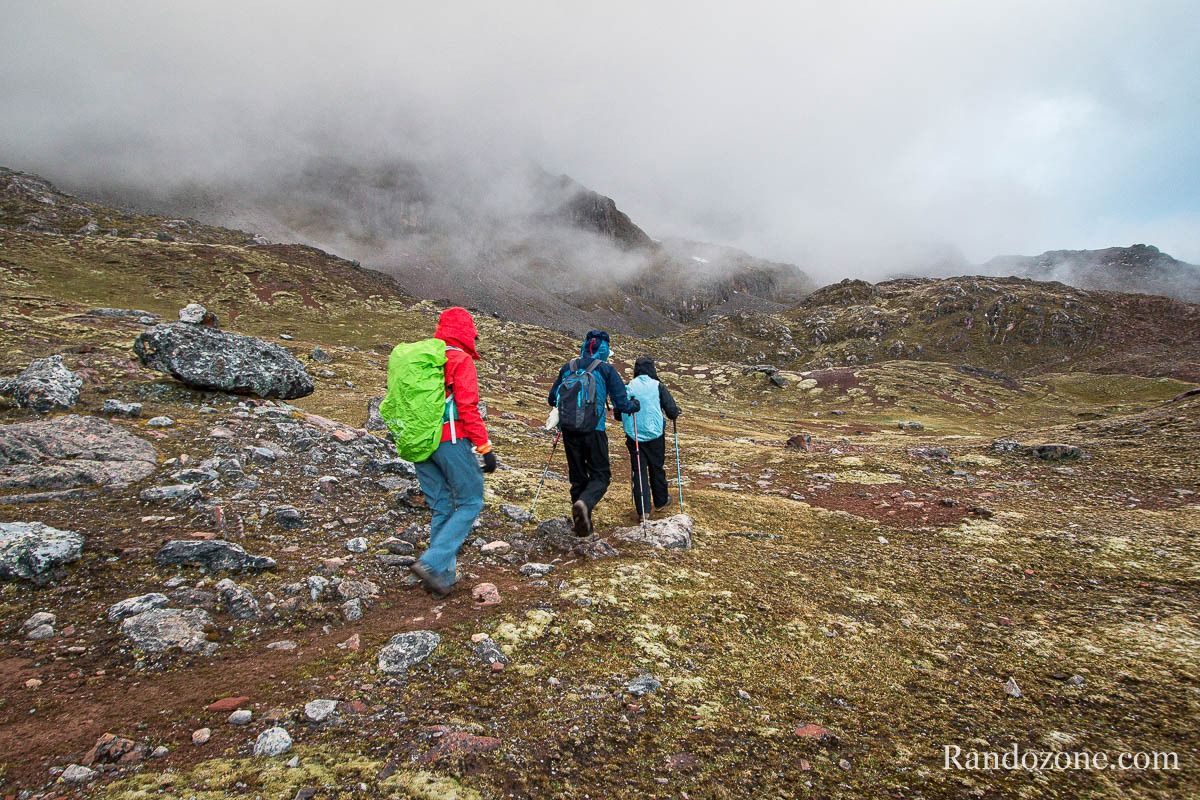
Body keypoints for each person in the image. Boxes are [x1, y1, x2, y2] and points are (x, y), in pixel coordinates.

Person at [409, 307, 496, 596]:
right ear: (466, 332)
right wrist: (484, 447)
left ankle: (442, 579)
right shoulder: (460, 359)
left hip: (420, 442)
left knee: (442, 505)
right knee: (471, 500)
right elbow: (467, 408)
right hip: (450, 440)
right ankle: (432, 563)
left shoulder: (424, 361)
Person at [547, 330, 640, 536]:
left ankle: (581, 527)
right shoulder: (606, 369)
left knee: (578, 477)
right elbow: (622, 404)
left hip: (569, 431)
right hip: (594, 430)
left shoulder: (568, 367)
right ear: (604, 349)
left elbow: (552, 398)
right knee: (601, 475)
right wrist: (634, 405)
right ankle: (584, 504)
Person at [617, 356, 680, 520]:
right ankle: (660, 501)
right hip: (655, 435)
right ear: (652, 368)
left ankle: (643, 510)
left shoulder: (628, 387)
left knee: (638, 471)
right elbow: (671, 411)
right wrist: (675, 412)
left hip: (634, 435)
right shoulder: (657, 386)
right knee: (656, 467)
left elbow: (618, 413)